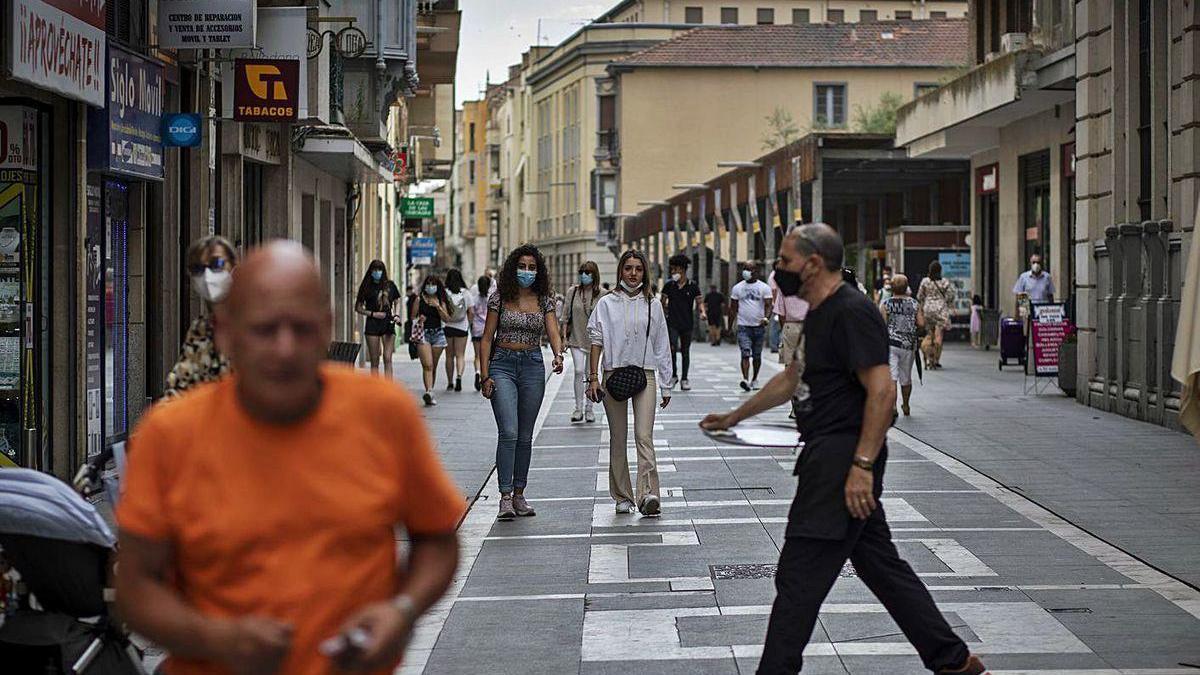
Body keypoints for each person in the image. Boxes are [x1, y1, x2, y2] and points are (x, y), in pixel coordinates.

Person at [115, 241, 462, 675]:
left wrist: (401, 610)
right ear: (225, 331)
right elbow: (134, 586)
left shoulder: (384, 413)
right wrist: (218, 639)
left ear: (328, 327)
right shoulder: (168, 436)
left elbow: (437, 539)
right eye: (264, 330)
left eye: (301, 329)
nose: (284, 348)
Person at [700, 225, 986, 675]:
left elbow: (882, 391)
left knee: (798, 578)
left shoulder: (851, 311)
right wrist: (736, 416)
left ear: (812, 264)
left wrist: (862, 465)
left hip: (840, 460)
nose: (777, 270)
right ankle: (952, 660)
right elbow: (795, 377)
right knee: (880, 566)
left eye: (785, 261)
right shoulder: (820, 311)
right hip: (833, 454)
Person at [479, 244, 565, 521]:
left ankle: (519, 494)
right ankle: (504, 497)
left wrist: (558, 354)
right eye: (522, 266)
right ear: (512, 268)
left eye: (532, 267)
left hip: (532, 365)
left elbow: (553, 331)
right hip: (502, 364)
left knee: (525, 435)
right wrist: (484, 374)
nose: (526, 272)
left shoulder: (544, 300)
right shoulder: (499, 298)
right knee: (509, 431)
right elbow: (486, 338)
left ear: (537, 272)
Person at [587, 249, 672, 517]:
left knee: (644, 436)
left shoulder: (653, 304)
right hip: (613, 376)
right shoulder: (606, 303)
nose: (633, 273)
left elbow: (662, 345)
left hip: (644, 375)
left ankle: (648, 494)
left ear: (644, 272)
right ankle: (622, 495)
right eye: (628, 268)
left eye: (638, 268)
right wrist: (593, 378)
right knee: (618, 437)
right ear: (620, 270)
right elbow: (596, 341)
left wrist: (667, 383)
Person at [163, 236, 237, 399]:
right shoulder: (201, 328)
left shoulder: (256, 321)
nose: (207, 275)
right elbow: (181, 383)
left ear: (233, 266)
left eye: (217, 264)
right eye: (197, 269)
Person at [563, 260, 603, 423]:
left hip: (594, 341)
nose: (584, 276)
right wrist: (564, 338)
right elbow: (565, 316)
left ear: (595, 275)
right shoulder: (573, 292)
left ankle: (589, 409)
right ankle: (578, 408)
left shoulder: (602, 294)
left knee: (590, 374)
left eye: (588, 272)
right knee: (579, 371)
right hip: (576, 338)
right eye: (582, 272)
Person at [661, 253, 704, 391]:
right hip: (672, 322)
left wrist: (703, 312)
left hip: (687, 323)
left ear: (683, 269)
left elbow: (699, 302)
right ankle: (674, 375)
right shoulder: (669, 285)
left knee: (685, 351)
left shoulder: (692, 286)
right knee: (672, 348)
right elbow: (662, 303)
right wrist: (662, 315)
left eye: (676, 269)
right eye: (672, 269)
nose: (673, 272)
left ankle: (685, 378)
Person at [881, 274, 921, 416]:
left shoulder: (886, 304)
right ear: (906, 287)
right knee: (906, 377)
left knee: (892, 376)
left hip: (891, 343)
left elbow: (882, 325)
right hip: (908, 345)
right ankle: (906, 404)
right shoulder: (914, 304)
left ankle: (893, 406)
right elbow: (921, 323)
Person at [730, 262, 773, 391]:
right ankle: (745, 379)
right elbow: (733, 307)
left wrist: (766, 318)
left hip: (758, 326)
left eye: (749, 269)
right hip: (743, 326)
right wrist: (730, 325)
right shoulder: (737, 288)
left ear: (756, 271)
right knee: (745, 353)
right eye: (745, 269)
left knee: (757, 356)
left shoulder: (764, 287)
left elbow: (769, 305)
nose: (746, 272)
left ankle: (754, 378)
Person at [354, 260, 402, 376]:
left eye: (379, 269)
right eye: (375, 270)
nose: (377, 272)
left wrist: (396, 314)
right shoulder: (366, 287)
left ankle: (388, 390)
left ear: (383, 271)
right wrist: (373, 314)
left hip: (388, 322)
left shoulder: (389, 285)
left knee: (387, 358)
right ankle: (375, 390)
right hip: (372, 323)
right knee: (374, 360)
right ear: (371, 271)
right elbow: (358, 308)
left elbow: (397, 301)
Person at [415, 275, 452, 405]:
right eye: (428, 284)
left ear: (437, 286)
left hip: (438, 334)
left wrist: (438, 306)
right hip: (423, 334)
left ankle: (430, 392)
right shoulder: (419, 299)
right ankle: (429, 391)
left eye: (433, 284)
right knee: (427, 365)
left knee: (433, 366)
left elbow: (447, 319)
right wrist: (419, 319)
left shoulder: (441, 300)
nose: (430, 287)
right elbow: (412, 316)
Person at [917, 261, 954, 370]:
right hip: (941, 310)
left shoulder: (925, 281)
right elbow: (950, 296)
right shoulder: (945, 282)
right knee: (938, 335)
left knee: (930, 334)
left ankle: (928, 356)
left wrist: (923, 306)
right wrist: (945, 302)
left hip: (928, 309)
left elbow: (920, 296)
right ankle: (936, 359)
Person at [442, 269, 471, 392]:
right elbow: (471, 311)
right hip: (462, 327)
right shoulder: (465, 293)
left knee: (449, 356)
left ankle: (450, 382)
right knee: (460, 355)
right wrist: (469, 325)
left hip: (448, 326)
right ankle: (459, 376)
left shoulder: (445, 293)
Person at [469, 275, 492, 391]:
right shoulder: (491, 299)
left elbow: (471, 314)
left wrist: (471, 325)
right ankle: (485, 374)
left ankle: (477, 371)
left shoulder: (474, 299)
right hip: (488, 330)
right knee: (487, 355)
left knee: (477, 355)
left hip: (477, 329)